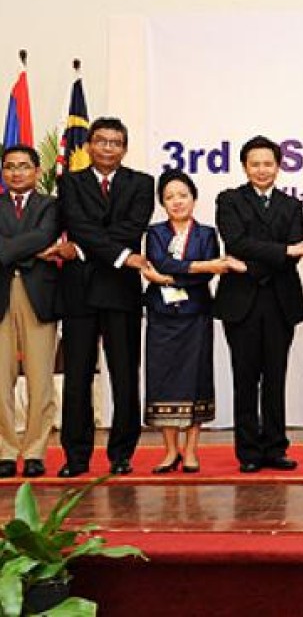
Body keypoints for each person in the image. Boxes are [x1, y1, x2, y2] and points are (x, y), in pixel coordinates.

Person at [50, 117, 154, 477]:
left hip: (121, 292)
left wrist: (84, 248)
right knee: (77, 375)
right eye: (101, 141)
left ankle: (122, 454)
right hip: (79, 292)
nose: (108, 148)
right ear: (89, 145)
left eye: (115, 142)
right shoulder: (70, 182)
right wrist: (121, 256)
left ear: (124, 148)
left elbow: (131, 228)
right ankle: (75, 457)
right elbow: (78, 225)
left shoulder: (141, 183)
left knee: (125, 375)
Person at [213, 135, 303, 473]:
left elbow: (296, 251)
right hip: (241, 301)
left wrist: (268, 257)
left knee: (275, 377)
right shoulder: (229, 200)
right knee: (245, 377)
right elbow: (236, 241)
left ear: (278, 166)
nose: (262, 170)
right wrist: (281, 252)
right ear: (244, 167)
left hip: (280, 300)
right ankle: (249, 451)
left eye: (268, 163)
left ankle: (275, 447)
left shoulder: (291, 205)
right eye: (255, 163)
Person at [142, 169, 245, 474]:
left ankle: (190, 451)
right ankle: (170, 450)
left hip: (196, 314)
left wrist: (174, 274)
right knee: (162, 380)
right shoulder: (156, 232)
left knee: (195, 379)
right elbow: (161, 261)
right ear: (162, 202)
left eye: (182, 195)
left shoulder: (207, 233)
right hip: (162, 316)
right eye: (169, 197)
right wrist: (199, 266)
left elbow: (209, 272)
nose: (177, 202)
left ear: (194, 199)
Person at [0, 145, 60, 478]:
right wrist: (31, 251)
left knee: (40, 380)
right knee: (0, 380)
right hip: (1, 295)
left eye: (24, 167)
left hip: (39, 295)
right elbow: (35, 243)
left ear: (37, 172)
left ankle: (36, 450)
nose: (16, 173)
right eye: (10, 167)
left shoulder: (50, 205)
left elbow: (46, 235)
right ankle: (6, 450)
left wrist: (9, 251)